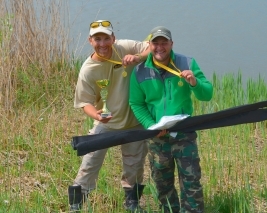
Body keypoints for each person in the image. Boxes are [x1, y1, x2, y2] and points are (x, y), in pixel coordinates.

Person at [129, 26, 213, 213]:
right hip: (157, 138)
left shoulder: (187, 63)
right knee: (163, 185)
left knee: (191, 183)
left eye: (164, 43)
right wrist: (151, 126)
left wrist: (194, 82)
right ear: (149, 45)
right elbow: (136, 103)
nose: (160, 47)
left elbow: (207, 94)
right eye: (155, 43)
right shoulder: (139, 71)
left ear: (171, 44)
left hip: (184, 135)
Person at [68, 20, 149, 212]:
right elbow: (84, 102)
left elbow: (153, 49)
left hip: (134, 122)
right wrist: (96, 115)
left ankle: (132, 202)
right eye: (97, 39)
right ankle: (76, 204)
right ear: (90, 41)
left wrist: (137, 58)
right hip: (106, 124)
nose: (102, 44)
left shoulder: (124, 47)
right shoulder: (88, 70)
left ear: (113, 38)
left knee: (135, 166)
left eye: (106, 38)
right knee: (89, 162)